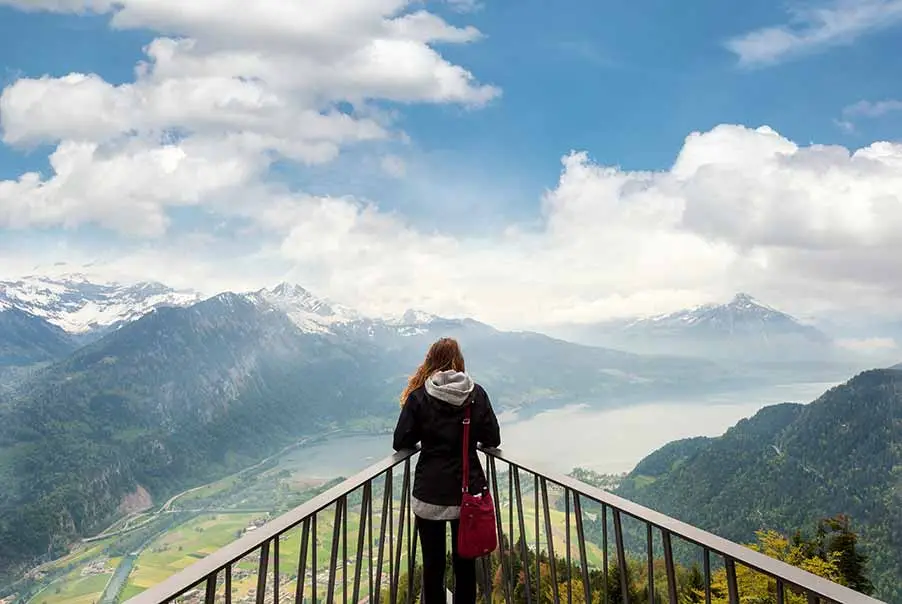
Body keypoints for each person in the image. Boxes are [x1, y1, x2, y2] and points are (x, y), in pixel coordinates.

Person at [392, 337, 501, 604]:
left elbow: (401, 441)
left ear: (430, 362)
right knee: (465, 565)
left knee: (433, 566)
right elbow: (493, 439)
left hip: (429, 493)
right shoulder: (477, 395)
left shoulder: (419, 397)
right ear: (459, 362)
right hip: (467, 494)